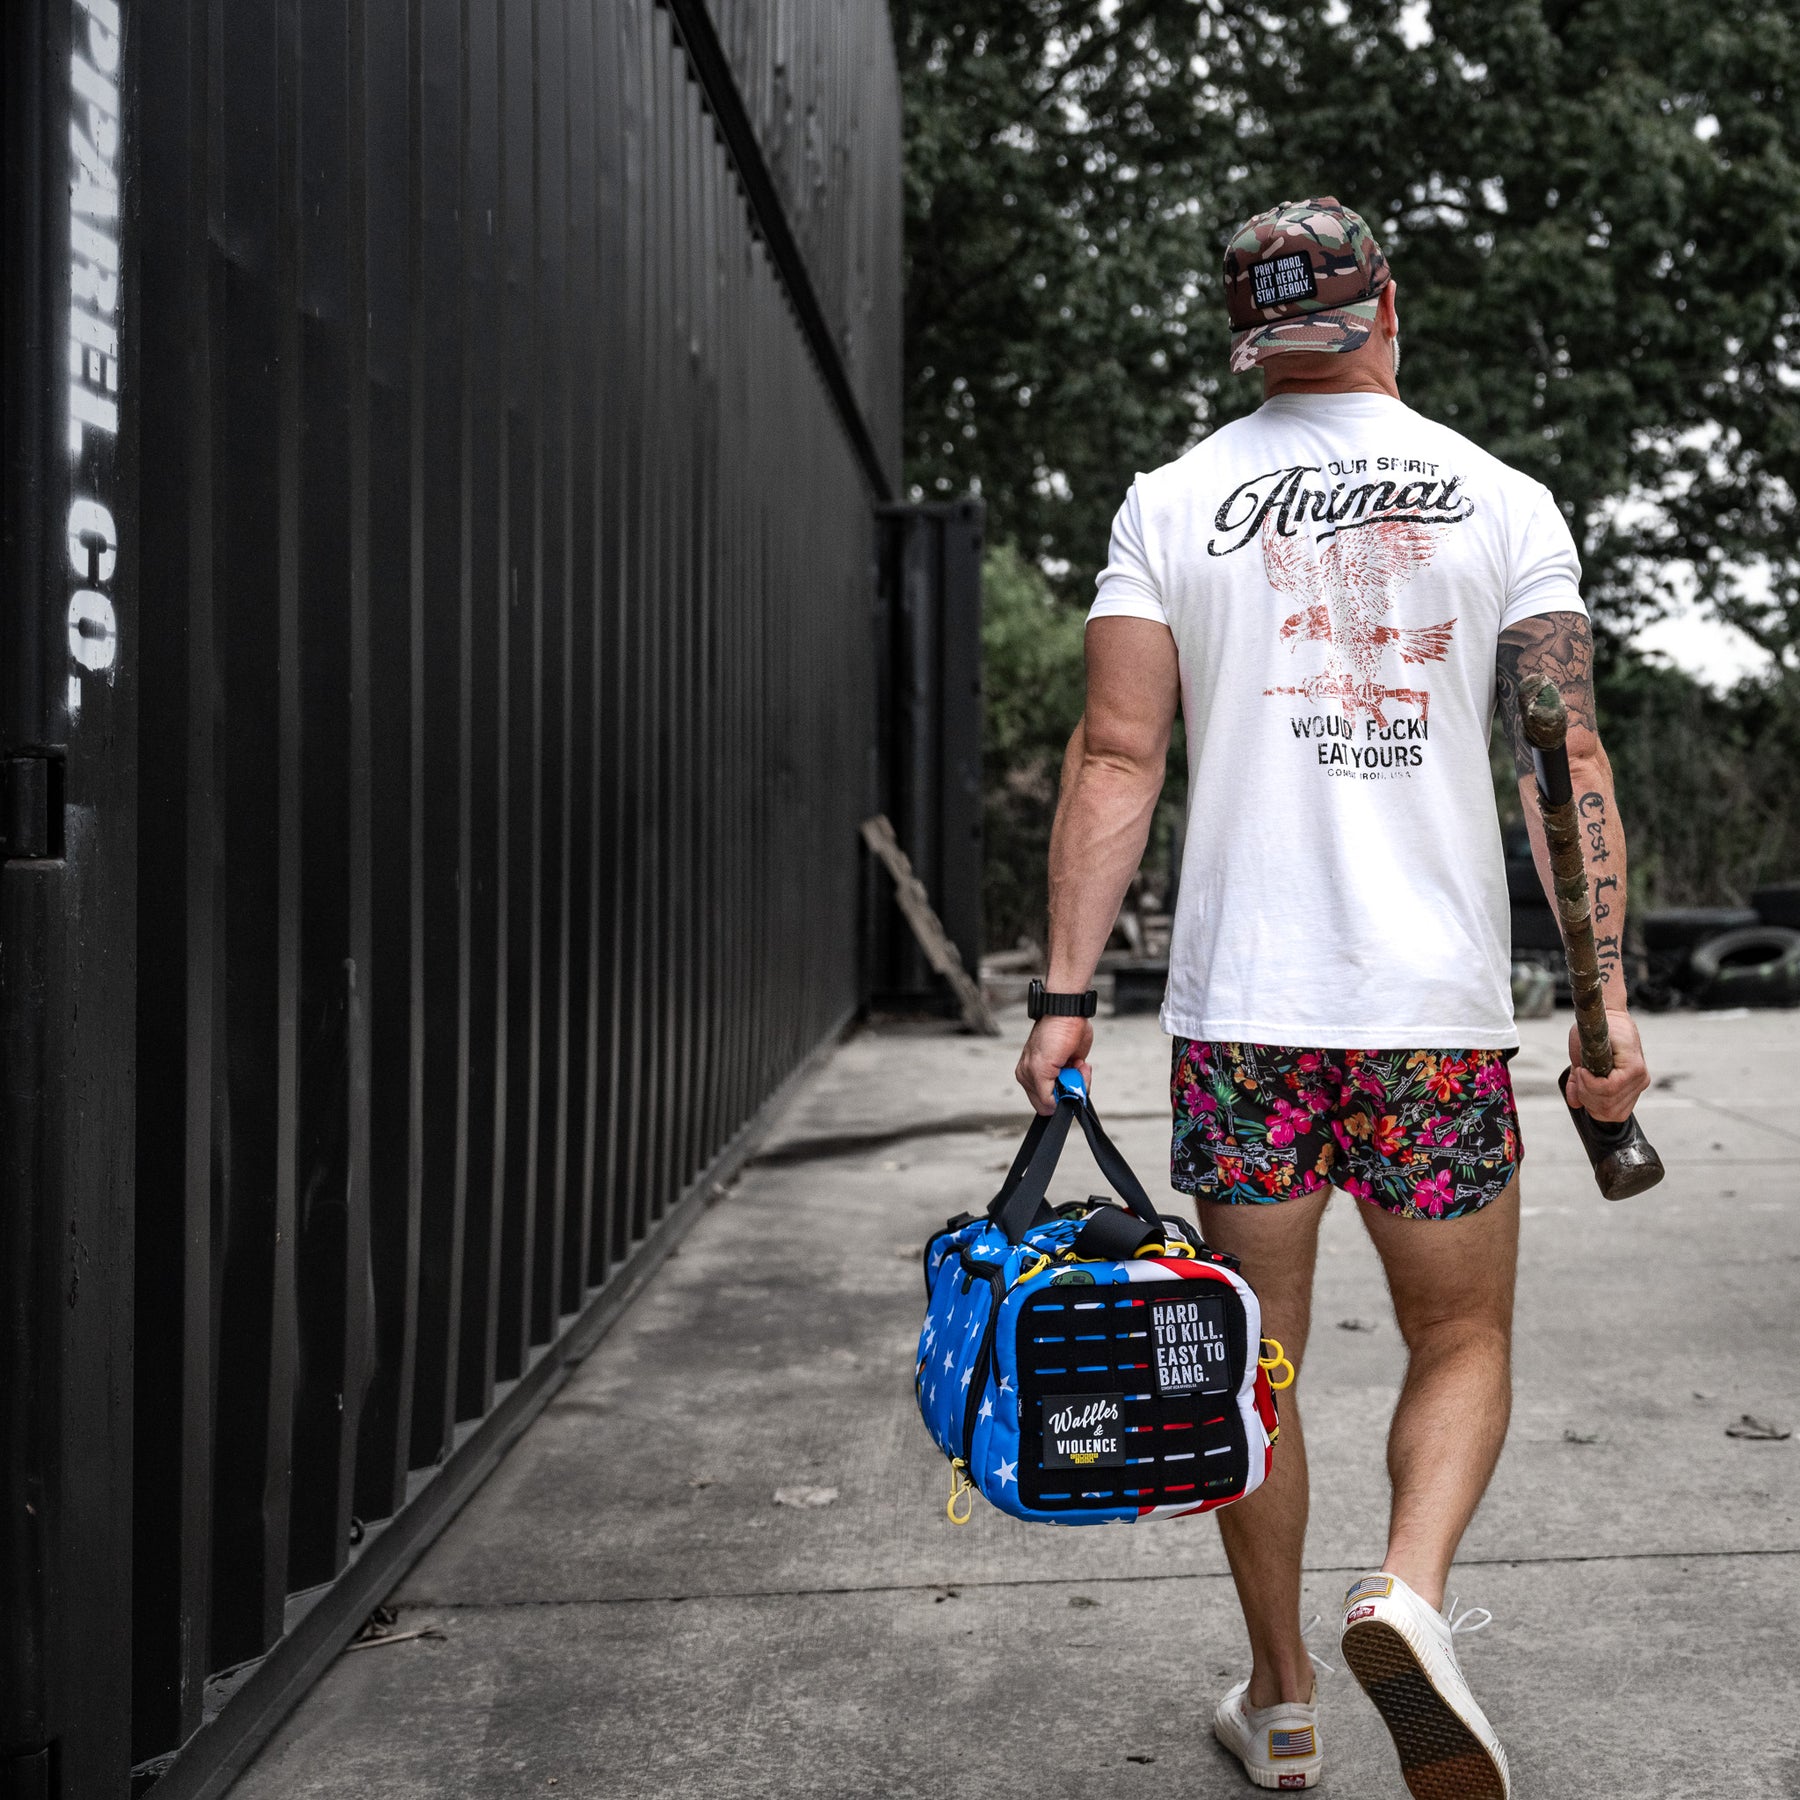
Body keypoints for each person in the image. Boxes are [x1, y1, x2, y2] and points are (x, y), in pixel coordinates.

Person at [1012, 197, 1650, 1799]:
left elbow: (1116, 756)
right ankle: (1407, 1597)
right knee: (1462, 1336)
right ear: (1387, 309)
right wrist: (1606, 1013)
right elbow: (1560, 758)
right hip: (1430, 1016)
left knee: (1252, 1361)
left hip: (1249, 1015)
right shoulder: (1506, 500)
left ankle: (1285, 1700)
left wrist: (1064, 996)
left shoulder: (1171, 501)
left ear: (1251, 340)